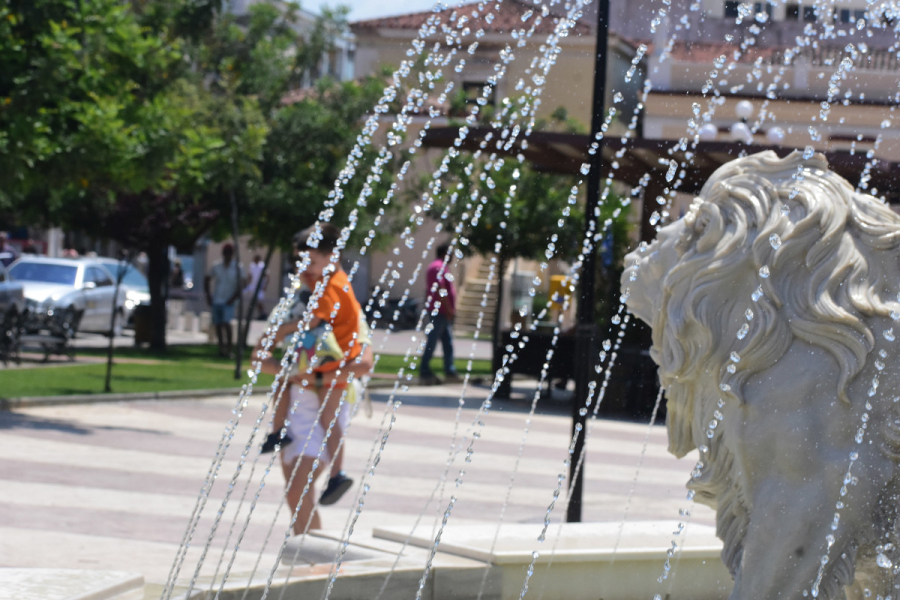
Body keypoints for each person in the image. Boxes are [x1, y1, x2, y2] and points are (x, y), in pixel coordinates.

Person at [254, 224, 373, 534]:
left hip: (328, 402)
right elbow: (259, 357)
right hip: (296, 408)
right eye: (299, 264)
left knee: (297, 488)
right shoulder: (294, 305)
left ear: (329, 257)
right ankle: (312, 562)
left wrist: (320, 376)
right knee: (297, 498)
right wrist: (292, 372)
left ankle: (337, 476)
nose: (302, 270)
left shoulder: (340, 298)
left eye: (309, 263)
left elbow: (364, 364)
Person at [420, 242, 461, 385]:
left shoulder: (438, 267)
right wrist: (449, 310)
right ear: (445, 253)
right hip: (440, 312)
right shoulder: (438, 267)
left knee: (447, 342)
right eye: (451, 254)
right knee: (432, 340)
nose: (453, 257)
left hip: (441, 311)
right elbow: (441, 289)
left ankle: (449, 369)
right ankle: (424, 370)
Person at [204, 243, 245, 357]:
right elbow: (207, 278)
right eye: (226, 253)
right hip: (217, 299)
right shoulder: (216, 266)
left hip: (229, 301)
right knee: (218, 325)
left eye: (229, 253)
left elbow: (242, 284)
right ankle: (221, 349)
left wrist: (233, 298)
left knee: (227, 324)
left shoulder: (238, 267)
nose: (227, 255)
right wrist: (208, 295)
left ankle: (229, 350)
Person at [244, 254, 268, 320]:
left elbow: (266, 276)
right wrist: (247, 284)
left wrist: (265, 285)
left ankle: (263, 313)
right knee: (255, 301)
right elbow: (250, 276)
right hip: (253, 286)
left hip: (260, 286)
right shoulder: (252, 266)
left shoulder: (262, 266)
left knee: (258, 301)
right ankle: (261, 314)